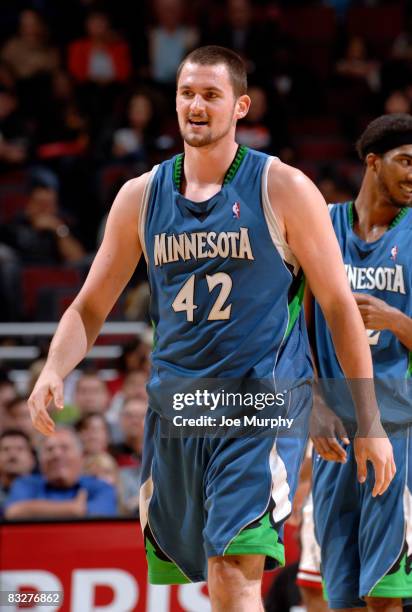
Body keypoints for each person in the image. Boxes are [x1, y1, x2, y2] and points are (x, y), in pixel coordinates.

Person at [29, 46, 394, 611]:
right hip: (177, 405)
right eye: (186, 93)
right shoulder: (141, 196)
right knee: (201, 572)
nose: (195, 106)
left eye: (211, 95)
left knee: (234, 568)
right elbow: (89, 307)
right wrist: (54, 367)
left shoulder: (284, 188)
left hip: (259, 403)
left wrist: (363, 416)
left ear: (240, 106)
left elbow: (339, 308)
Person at [308, 114, 412, 611]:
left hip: (398, 426)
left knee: (385, 593)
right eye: (406, 161)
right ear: (373, 161)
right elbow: (285, 327)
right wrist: (311, 402)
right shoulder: (321, 224)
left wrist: (397, 321)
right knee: (340, 591)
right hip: (335, 429)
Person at [4, 426, 116, 520]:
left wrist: (31, 509)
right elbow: (13, 512)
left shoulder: (101, 487)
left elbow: (101, 516)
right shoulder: (25, 484)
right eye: (49, 449)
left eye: (65, 448)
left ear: (81, 457)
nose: (56, 454)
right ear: (40, 460)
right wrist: (73, 509)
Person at [0, 429, 35, 515]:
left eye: (20, 449)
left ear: (32, 459)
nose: (12, 454)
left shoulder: (46, 491)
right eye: (6, 449)